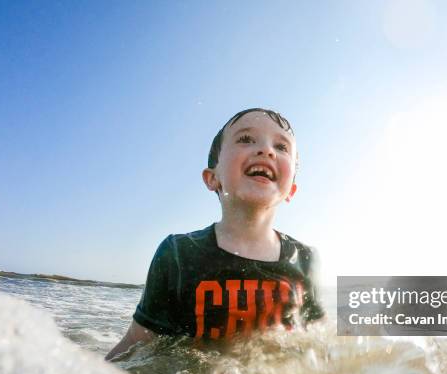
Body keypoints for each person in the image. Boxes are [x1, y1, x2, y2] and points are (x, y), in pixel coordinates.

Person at [105, 108, 325, 361]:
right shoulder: (178, 252)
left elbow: (322, 346)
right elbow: (136, 342)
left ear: (291, 191)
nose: (266, 150)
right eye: (245, 139)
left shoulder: (306, 258)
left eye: (281, 146)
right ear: (212, 178)